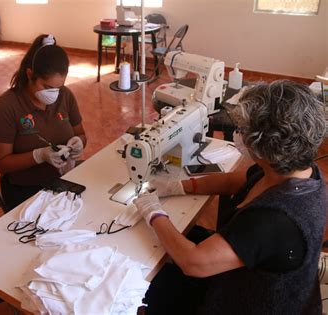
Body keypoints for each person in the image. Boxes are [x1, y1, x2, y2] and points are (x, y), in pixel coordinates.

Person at [133, 80, 327, 314]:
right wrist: (177, 186)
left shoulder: (275, 220)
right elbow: (232, 180)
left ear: (263, 146)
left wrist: (153, 212)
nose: (238, 135)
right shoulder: (297, 173)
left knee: (149, 286)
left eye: (243, 130)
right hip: (252, 277)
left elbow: (194, 263)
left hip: (256, 303)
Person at [0, 34, 86, 211]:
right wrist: (38, 155)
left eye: (59, 87)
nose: (54, 93)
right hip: (26, 189)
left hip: (63, 179)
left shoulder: (65, 96)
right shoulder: (7, 106)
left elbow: (81, 133)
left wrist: (79, 143)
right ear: (30, 75)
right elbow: (1, 163)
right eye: (47, 87)